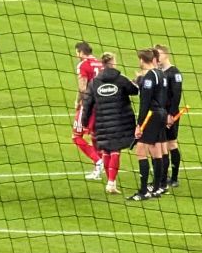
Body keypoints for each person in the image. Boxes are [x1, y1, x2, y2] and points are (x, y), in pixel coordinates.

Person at [79, 51, 137, 195]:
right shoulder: (121, 79)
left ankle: (110, 182)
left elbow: (87, 104)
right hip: (119, 121)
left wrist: (85, 122)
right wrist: (138, 79)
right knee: (115, 151)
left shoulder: (94, 82)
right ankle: (111, 183)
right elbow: (134, 91)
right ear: (112, 62)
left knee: (106, 151)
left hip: (102, 122)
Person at [130, 48, 169, 202]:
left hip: (151, 115)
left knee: (140, 150)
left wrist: (139, 124)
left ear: (141, 60)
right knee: (156, 150)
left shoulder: (148, 77)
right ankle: (157, 187)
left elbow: (144, 103)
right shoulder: (162, 74)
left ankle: (144, 190)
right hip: (161, 114)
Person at [70, 42, 105, 179]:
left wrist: (78, 102)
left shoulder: (83, 65)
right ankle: (98, 170)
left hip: (88, 105)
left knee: (76, 136)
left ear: (80, 52)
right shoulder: (100, 64)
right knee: (95, 137)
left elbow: (82, 87)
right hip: (101, 105)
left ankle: (98, 161)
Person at [156, 44, 184, 192]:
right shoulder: (158, 72)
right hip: (159, 114)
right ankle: (163, 176)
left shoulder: (175, 73)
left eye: (159, 54)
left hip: (169, 114)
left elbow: (176, 96)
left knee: (171, 144)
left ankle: (174, 178)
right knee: (161, 145)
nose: (157, 58)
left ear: (166, 54)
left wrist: (171, 114)